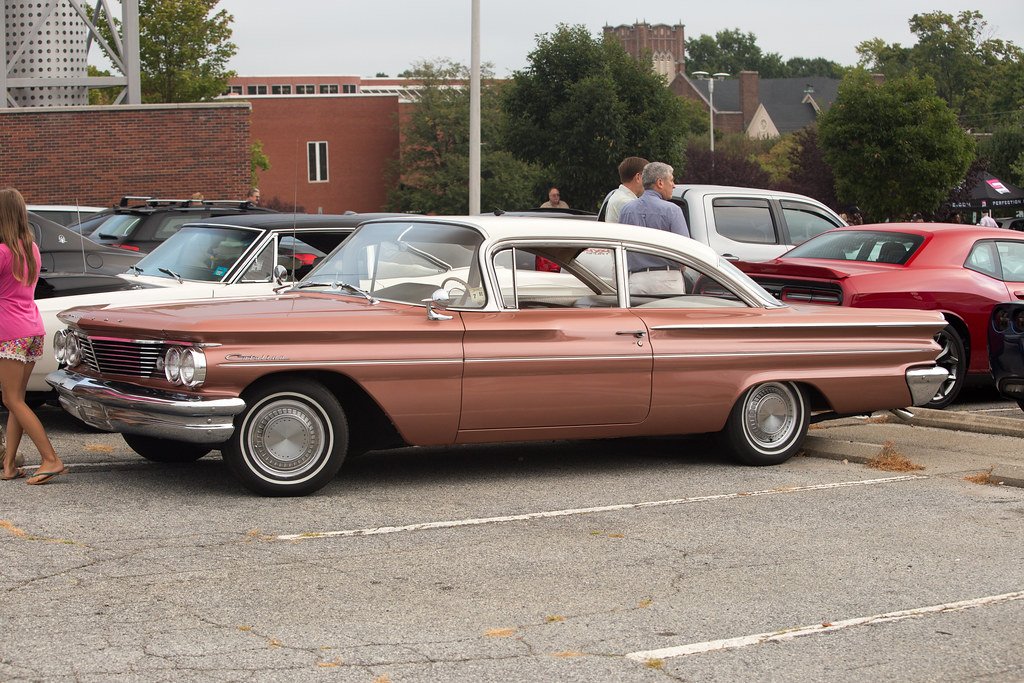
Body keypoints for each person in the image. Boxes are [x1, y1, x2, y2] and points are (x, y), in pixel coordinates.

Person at [0, 188, 66, 484]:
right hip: (31, 328)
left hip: (8, 331)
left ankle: (50, 458)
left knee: (13, 400)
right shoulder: (31, 249)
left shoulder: (2, 252)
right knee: (16, 398)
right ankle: (9, 464)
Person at [618, 162, 690, 294]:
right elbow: (685, 252)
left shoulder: (626, 210)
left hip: (636, 280)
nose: (674, 185)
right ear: (660, 182)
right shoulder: (672, 210)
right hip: (667, 280)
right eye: (672, 180)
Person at [603, 156, 648, 223]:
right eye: (646, 177)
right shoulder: (628, 202)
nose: (649, 182)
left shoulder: (618, 196)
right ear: (638, 177)